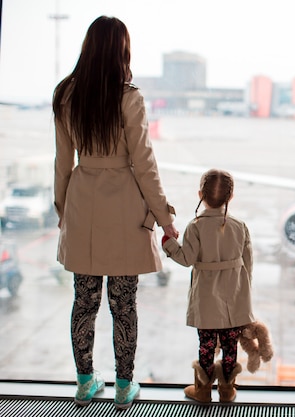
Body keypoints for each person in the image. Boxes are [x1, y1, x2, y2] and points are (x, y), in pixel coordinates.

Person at [52, 16, 179, 410]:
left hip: (82, 203)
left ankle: (85, 383)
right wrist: (165, 216)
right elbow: (144, 164)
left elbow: (61, 163)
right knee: (124, 305)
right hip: (123, 207)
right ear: (121, 50)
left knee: (83, 302)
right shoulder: (128, 97)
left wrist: (63, 210)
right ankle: (125, 388)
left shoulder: (66, 94)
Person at [162, 169, 254, 403]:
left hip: (206, 298)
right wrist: (245, 292)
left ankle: (202, 390)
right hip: (234, 297)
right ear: (230, 197)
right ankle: (227, 389)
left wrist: (170, 245)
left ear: (200, 194)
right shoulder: (240, 226)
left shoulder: (195, 226)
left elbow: (187, 259)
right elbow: (248, 264)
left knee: (206, 345)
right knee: (230, 344)